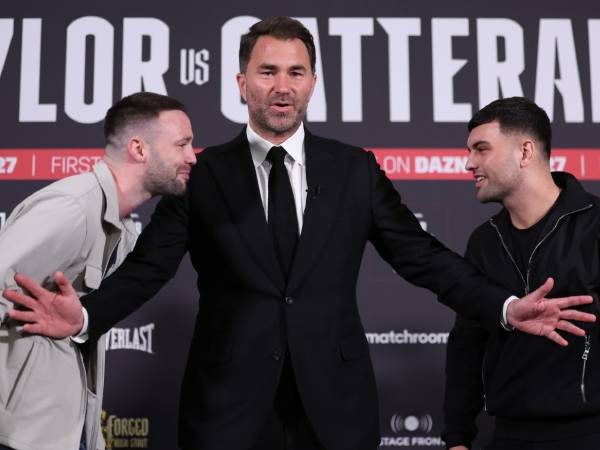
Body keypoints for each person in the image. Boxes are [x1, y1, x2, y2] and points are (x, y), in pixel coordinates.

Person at [3, 19, 595, 450]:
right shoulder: (204, 174)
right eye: (267, 72)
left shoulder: (353, 168)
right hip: (227, 409)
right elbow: (150, 266)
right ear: (241, 83)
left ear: (313, 82)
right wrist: (85, 316)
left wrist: (505, 305)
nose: (281, 86)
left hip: (334, 408)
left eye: (295, 72)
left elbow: (420, 256)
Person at [0, 92, 196, 450]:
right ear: (139, 149)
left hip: (57, 433)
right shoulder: (73, 210)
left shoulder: (123, 230)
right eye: (182, 144)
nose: (191, 157)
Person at [442, 97, 600, 450]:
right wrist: (456, 438)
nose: (469, 163)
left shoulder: (595, 226)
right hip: (509, 436)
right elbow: (467, 346)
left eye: (481, 149)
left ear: (525, 152)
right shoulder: (484, 242)